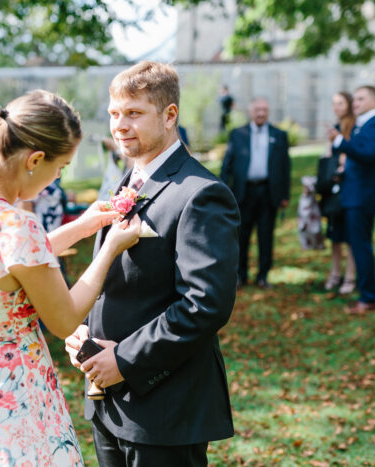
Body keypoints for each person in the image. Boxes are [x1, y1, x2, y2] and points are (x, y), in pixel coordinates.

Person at [0, 90, 140, 466]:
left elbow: (3, 266)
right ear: (35, 160)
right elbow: (65, 318)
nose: (57, 178)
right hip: (11, 396)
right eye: (60, 167)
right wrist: (109, 249)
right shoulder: (17, 225)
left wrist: (81, 228)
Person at [65, 61, 240, 467]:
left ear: (169, 115)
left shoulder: (201, 194)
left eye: (134, 113)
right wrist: (85, 334)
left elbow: (205, 305)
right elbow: (120, 281)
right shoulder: (123, 184)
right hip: (107, 403)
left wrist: (124, 360)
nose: (120, 125)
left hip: (164, 406)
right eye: (113, 114)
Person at [327, 85, 375, 314]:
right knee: (359, 245)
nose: (356, 103)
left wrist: (340, 142)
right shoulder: (364, 125)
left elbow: (367, 155)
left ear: (373, 100)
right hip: (354, 194)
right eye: (355, 100)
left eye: (361, 99)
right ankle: (367, 293)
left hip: (363, 197)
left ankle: (369, 297)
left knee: (361, 247)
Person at [221, 97, 291, 289]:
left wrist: (284, 195)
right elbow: (227, 166)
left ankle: (263, 276)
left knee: (266, 236)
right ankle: (240, 275)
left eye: (264, 110)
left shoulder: (279, 135)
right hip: (243, 194)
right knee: (241, 237)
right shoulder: (238, 134)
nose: (261, 113)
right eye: (257, 109)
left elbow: (285, 166)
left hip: (269, 193)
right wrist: (225, 191)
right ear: (250, 111)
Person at [317, 91, 357, 294]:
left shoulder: (353, 127)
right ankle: (335, 273)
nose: (337, 107)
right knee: (335, 235)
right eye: (334, 103)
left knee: (349, 235)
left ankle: (350, 275)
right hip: (331, 190)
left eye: (340, 103)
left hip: (347, 188)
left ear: (348, 104)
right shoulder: (336, 127)